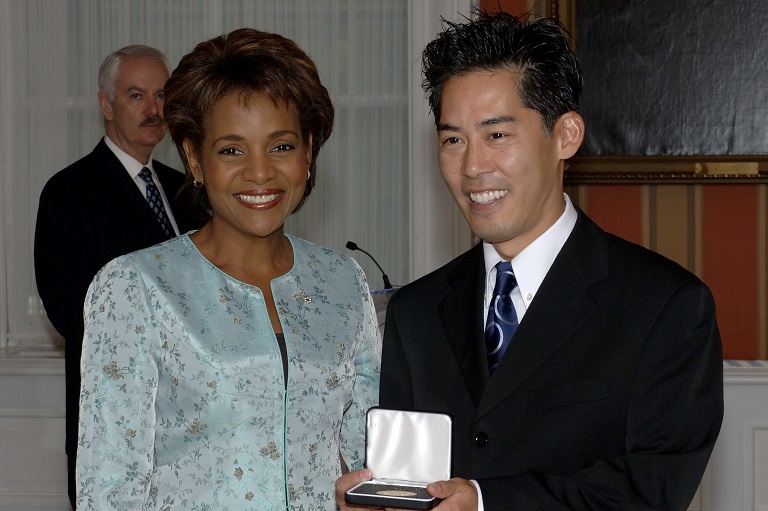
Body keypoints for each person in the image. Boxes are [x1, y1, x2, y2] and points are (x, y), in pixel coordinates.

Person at [337, 11, 723, 511]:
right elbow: (408, 485)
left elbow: (650, 489)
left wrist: (484, 502)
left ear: (565, 136)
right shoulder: (416, 313)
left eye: (496, 135)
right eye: (453, 139)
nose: (473, 166)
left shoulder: (665, 307)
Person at [75, 28, 381, 510]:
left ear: (308, 152)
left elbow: (367, 457)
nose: (260, 173)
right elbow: (109, 485)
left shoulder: (342, 281)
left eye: (281, 146)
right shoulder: (136, 286)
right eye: (231, 150)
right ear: (195, 158)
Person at [34, 44, 198, 509]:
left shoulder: (185, 189)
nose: (153, 109)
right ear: (106, 104)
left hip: (191, 418)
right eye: (136, 95)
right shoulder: (69, 192)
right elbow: (70, 311)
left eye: (162, 95)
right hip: (115, 418)